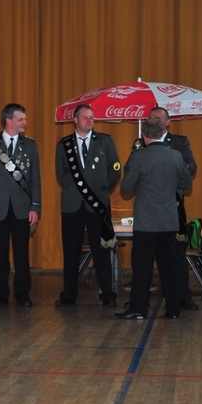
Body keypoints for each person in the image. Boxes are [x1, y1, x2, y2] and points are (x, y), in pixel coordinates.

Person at [115, 115, 193, 319]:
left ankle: (138, 308)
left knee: (142, 268)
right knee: (169, 267)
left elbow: (126, 187)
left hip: (146, 222)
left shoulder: (139, 157)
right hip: (169, 220)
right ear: (162, 132)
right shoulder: (176, 156)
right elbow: (186, 183)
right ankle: (173, 308)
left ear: (144, 135)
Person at [132, 106, 199, 310]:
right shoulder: (139, 144)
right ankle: (158, 302)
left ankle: (181, 296)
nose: (153, 122)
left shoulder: (179, 142)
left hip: (174, 207)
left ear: (167, 123)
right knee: (147, 259)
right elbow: (131, 168)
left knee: (175, 255)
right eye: (150, 118)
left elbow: (191, 167)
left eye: (157, 119)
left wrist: (169, 176)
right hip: (151, 209)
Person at [55, 104, 121, 308]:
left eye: (91, 117)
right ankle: (69, 295)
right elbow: (61, 174)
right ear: (75, 120)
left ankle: (107, 294)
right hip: (72, 206)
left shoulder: (105, 141)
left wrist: (102, 189)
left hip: (97, 205)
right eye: (85, 117)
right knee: (71, 252)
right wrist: (75, 190)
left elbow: (115, 169)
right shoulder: (64, 144)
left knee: (102, 250)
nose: (89, 120)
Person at [0, 102, 41, 307]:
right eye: (20, 119)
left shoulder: (30, 145)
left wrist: (35, 206)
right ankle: (1, 293)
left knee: (22, 253)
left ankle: (23, 293)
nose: (25, 123)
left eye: (24, 119)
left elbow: (35, 180)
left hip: (22, 207)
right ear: (8, 121)